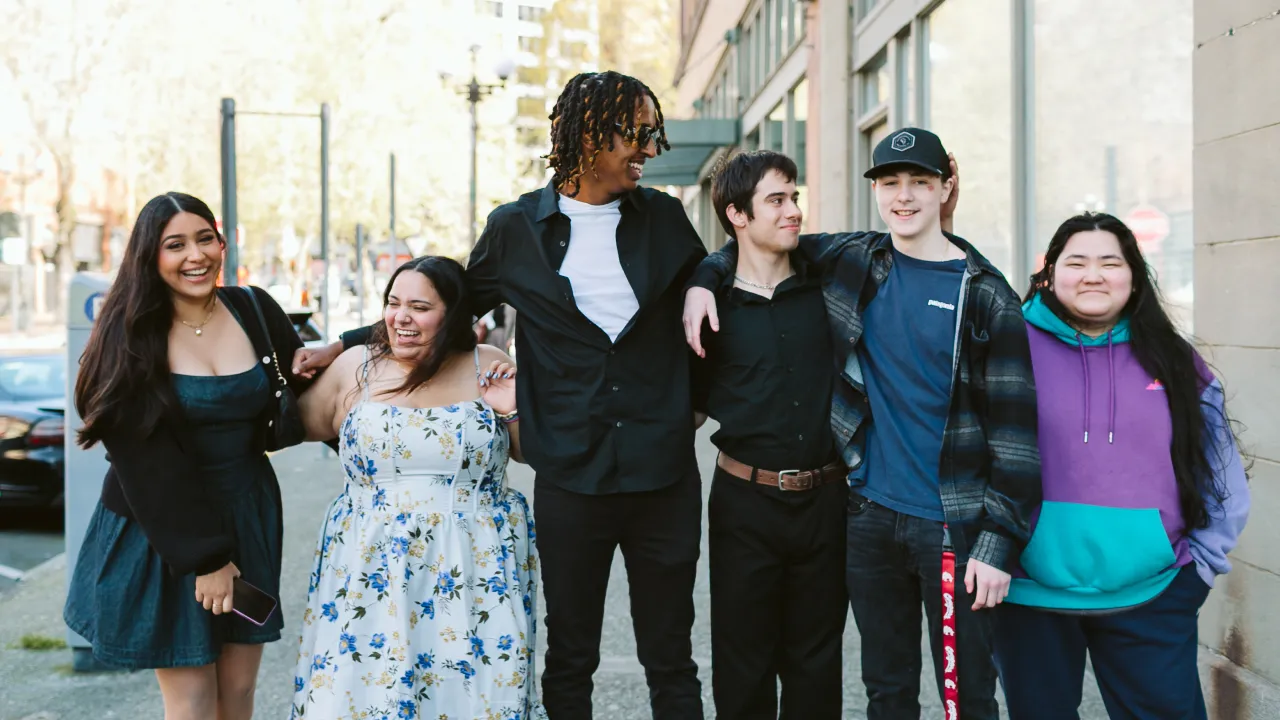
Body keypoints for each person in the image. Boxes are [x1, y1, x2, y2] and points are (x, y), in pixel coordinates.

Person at [295, 71, 709, 719]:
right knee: (570, 657)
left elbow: (713, 299)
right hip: (570, 474)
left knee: (672, 659)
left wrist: (695, 401)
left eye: (655, 134)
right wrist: (344, 343)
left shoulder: (664, 219)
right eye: (639, 133)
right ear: (590, 134)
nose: (651, 149)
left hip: (664, 476)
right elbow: (451, 303)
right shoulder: (517, 228)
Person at [683, 128, 1041, 719]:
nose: (904, 196)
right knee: (886, 692)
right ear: (875, 191)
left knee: (966, 695)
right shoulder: (858, 261)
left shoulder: (985, 295)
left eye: (920, 182)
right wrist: (704, 278)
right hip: (868, 515)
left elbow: (1017, 436)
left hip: (949, 524)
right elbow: (752, 245)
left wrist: (997, 543)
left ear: (946, 188)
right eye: (891, 182)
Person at [64, 192, 313, 720]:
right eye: (174, 245)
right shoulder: (130, 335)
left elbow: (304, 389)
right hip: (168, 528)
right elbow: (143, 462)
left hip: (247, 511)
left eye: (205, 239)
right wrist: (207, 560)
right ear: (149, 257)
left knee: (238, 691)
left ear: (222, 244)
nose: (195, 255)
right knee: (193, 699)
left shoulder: (253, 308)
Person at [993, 213, 1251, 720]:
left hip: (1153, 590)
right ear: (1049, 273)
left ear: (1134, 276)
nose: (1093, 275)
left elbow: (1218, 463)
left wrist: (1202, 565)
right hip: (1027, 591)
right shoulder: (1007, 348)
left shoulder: (1173, 358)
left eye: (1110, 263)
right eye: (1077, 262)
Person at [289, 256, 544, 719]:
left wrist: (509, 410)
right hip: (371, 562)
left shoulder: (488, 364)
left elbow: (530, 453)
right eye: (393, 303)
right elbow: (288, 426)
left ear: (453, 314)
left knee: (471, 693)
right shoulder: (355, 367)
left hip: (474, 564)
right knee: (364, 690)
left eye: (419, 307)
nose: (400, 317)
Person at [691, 150, 847, 718]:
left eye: (794, 197)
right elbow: (690, 409)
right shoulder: (707, 307)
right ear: (737, 214)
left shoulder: (830, 284)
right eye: (777, 200)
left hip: (826, 500)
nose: (794, 211)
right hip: (744, 503)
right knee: (743, 666)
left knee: (817, 664)